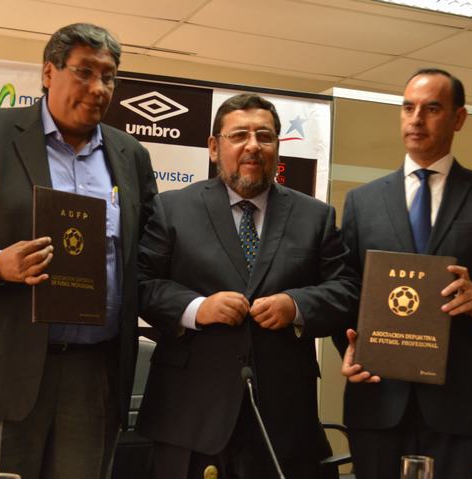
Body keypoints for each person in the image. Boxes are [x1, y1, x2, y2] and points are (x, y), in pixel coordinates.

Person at [0, 23, 157, 479]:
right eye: (85, 72)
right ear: (48, 72)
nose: (99, 88)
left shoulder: (130, 155)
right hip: (6, 369)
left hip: (94, 373)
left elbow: (147, 255)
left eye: (109, 77)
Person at [135, 93, 358, 479]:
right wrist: (197, 308)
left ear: (277, 148)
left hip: (284, 419)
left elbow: (346, 289)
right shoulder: (172, 208)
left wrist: (295, 305)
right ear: (213, 147)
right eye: (239, 135)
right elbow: (141, 284)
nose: (253, 145)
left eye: (265, 136)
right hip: (190, 415)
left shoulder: (314, 216)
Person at [337, 68, 472, 479]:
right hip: (379, 399)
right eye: (408, 108)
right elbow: (345, 289)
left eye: (431, 109)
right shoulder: (363, 201)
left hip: (463, 405)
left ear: (459, 118)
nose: (416, 119)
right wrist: (349, 348)